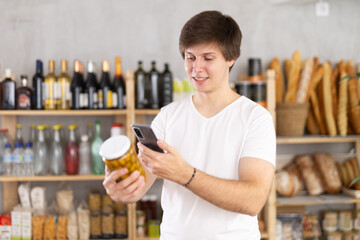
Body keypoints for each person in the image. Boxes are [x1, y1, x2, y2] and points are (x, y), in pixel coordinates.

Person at [103, 10, 276, 239]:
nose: (196, 68)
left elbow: (253, 200)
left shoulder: (255, 118)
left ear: (230, 58)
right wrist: (122, 188)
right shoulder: (167, 117)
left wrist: (185, 174)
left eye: (208, 58)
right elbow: (139, 187)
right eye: (190, 57)